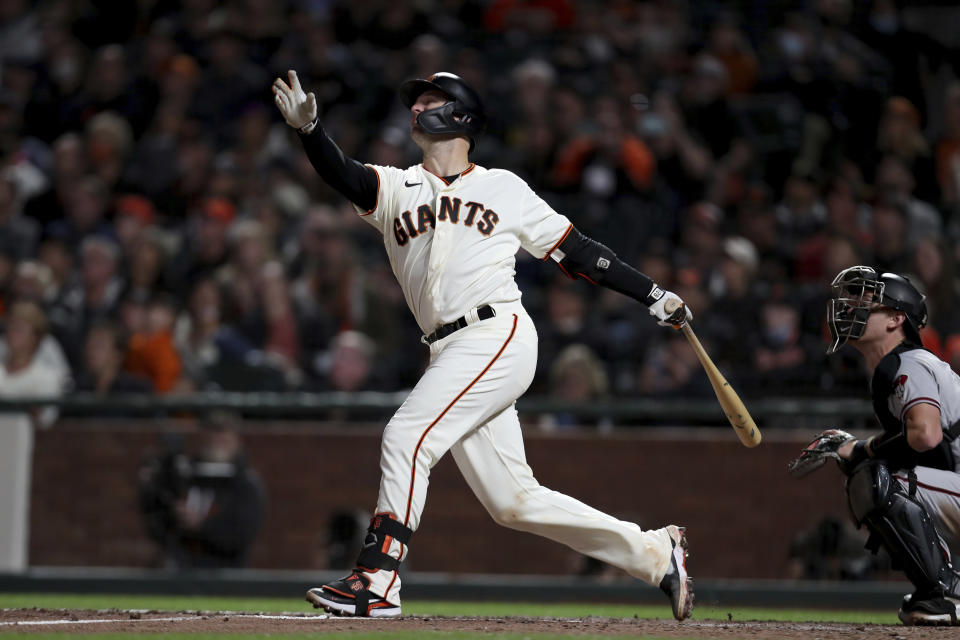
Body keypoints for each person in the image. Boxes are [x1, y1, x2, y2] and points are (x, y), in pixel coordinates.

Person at [273, 70, 694, 620]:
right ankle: (655, 553)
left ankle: (377, 578)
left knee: (407, 435)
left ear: (462, 116)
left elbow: (579, 252)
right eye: (416, 100)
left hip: (496, 331)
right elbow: (344, 175)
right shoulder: (400, 187)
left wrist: (653, 294)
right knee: (513, 502)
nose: (418, 106)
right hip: (448, 349)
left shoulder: (503, 187)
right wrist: (311, 131)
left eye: (431, 99)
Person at [788, 266, 960, 626]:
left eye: (867, 301)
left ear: (897, 319)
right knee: (873, 476)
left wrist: (861, 450)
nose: (852, 307)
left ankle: (948, 591)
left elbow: (925, 434)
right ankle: (942, 591)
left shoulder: (910, 363)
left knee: (880, 479)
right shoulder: (898, 367)